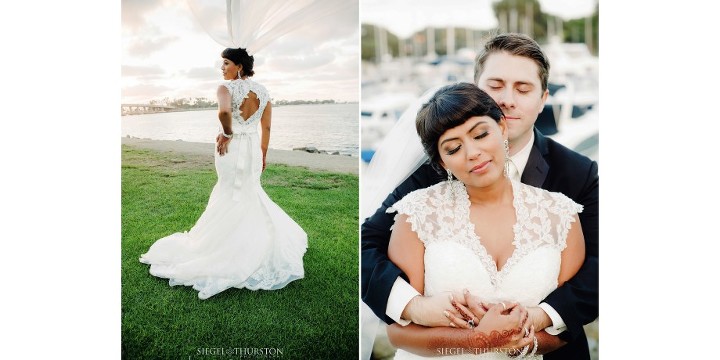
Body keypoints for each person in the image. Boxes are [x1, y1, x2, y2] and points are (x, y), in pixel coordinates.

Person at [361, 33, 598, 359]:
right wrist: (416, 307)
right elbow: (368, 242)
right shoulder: (430, 175)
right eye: (496, 85)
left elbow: (598, 269)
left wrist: (537, 324)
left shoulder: (577, 175)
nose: (508, 99)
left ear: (543, 99)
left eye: (523, 88)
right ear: (476, 86)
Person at [140, 47, 308, 299]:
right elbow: (267, 126)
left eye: (226, 63)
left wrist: (228, 133)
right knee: (249, 191)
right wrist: (262, 154)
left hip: (231, 146)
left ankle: (226, 246)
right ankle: (253, 242)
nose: (222, 68)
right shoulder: (263, 92)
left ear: (239, 66)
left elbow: (224, 112)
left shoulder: (224, 89)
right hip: (251, 148)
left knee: (230, 191)